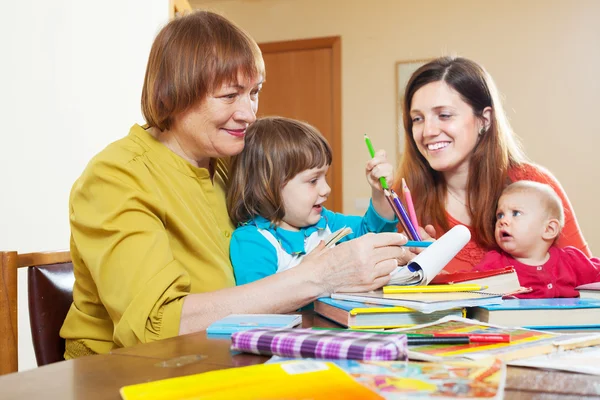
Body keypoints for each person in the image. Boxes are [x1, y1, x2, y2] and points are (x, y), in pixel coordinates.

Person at [59, 11, 416, 359]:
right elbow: (157, 327)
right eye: (230, 96)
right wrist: (318, 277)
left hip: (225, 352)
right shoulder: (115, 177)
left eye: (254, 92)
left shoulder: (233, 166)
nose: (249, 113)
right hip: (123, 371)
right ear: (173, 93)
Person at [395, 56, 591, 273]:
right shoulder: (401, 198)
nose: (428, 131)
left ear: (484, 119)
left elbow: (585, 280)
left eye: (444, 115)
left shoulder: (535, 183)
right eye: (417, 119)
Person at [227, 116, 398, 285]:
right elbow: (258, 303)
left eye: (325, 177)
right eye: (313, 180)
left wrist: (379, 192)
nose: (326, 190)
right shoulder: (253, 241)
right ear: (266, 187)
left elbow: (372, 233)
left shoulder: (325, 222)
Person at [475, 181, 600, 298]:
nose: (503, 221)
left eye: (516, 213)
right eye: (500, 215)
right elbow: (465, 288)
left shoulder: (572, 261)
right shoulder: (493, 265)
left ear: (549, 229)